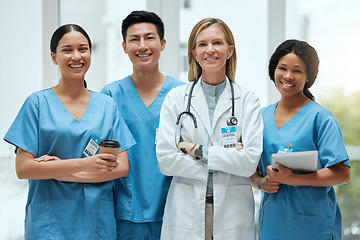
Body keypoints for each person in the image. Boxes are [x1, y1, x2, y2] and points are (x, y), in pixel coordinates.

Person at [3, 24, 135, 239]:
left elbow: (121, 167)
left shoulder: (106, 105)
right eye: (67, 50)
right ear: (54, 57)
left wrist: (62, 173)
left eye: (83, 49)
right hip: (49, 221)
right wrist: (85, 164)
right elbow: (23, 169)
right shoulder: (37, 104)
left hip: (95, 219)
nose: (76, 56)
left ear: (90, 53)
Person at [156, 18, 263, 240]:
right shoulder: (176, 99)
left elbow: (249, 162)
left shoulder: (248, 100)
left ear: (230, 50)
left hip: (233, 212)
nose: (210, 50)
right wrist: (229, 158)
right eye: (202, 44)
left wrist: (198, 151)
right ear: (194, 53)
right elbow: (166, 161)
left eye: (217, 43)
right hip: (186, 211)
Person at [250, 39, 351, 240]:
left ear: (308, 77)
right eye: (282, 68)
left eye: (297, 70)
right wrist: (260, 182)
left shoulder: (320, 118)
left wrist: (293, 179)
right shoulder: (260, 117)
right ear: (274, 71)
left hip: (313, 225)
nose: (288, 76)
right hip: (273, 224)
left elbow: (342, 174)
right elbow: (250, 167)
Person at [101, 10, 184, 240]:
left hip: (173, 209)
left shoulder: (182, 94)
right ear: (124, 46)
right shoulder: (110, 95)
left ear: (163, 43)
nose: (142, 45)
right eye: (134, 39)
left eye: (149, 37)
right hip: (126, 211)